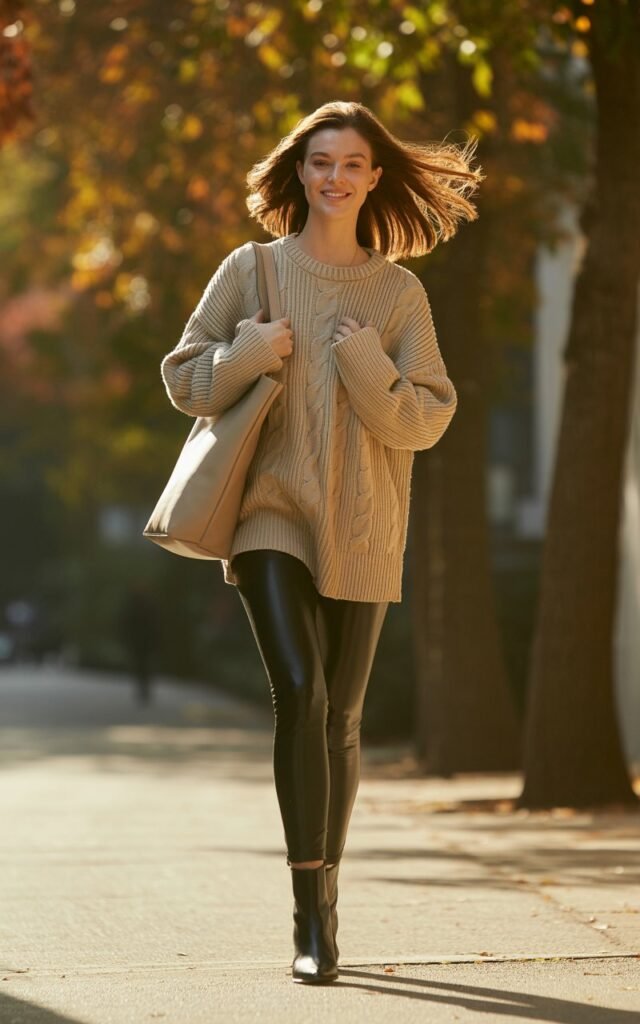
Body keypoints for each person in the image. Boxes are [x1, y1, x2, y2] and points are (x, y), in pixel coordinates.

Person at [160, 100, 483, 984]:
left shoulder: (398, 295)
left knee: (341, 715)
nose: (335, 177)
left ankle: (327, 897)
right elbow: (184, 380)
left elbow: (425, 421)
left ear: (375, 177)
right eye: (320, 162)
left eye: (351, 164)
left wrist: (366, 363)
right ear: (298, 172)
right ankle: (311, 925)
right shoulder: (252, 269)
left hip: (367, 526)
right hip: (273, 512)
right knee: (300, 691)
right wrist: (248, 353)